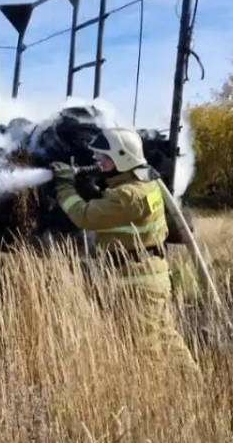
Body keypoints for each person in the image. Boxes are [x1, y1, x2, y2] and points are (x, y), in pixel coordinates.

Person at [50, 126, 198, 373]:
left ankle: (159, 391)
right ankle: (192, 382)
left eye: (104, 157)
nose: (97, 161)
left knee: (144, 350)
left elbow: (83, 215)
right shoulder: (144, 183)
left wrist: (65, 186)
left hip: (137, 283)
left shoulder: (128, 196)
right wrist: (94, 189)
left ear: (122, 158)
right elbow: (117, 206)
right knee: (165, 337)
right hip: (150, 276)